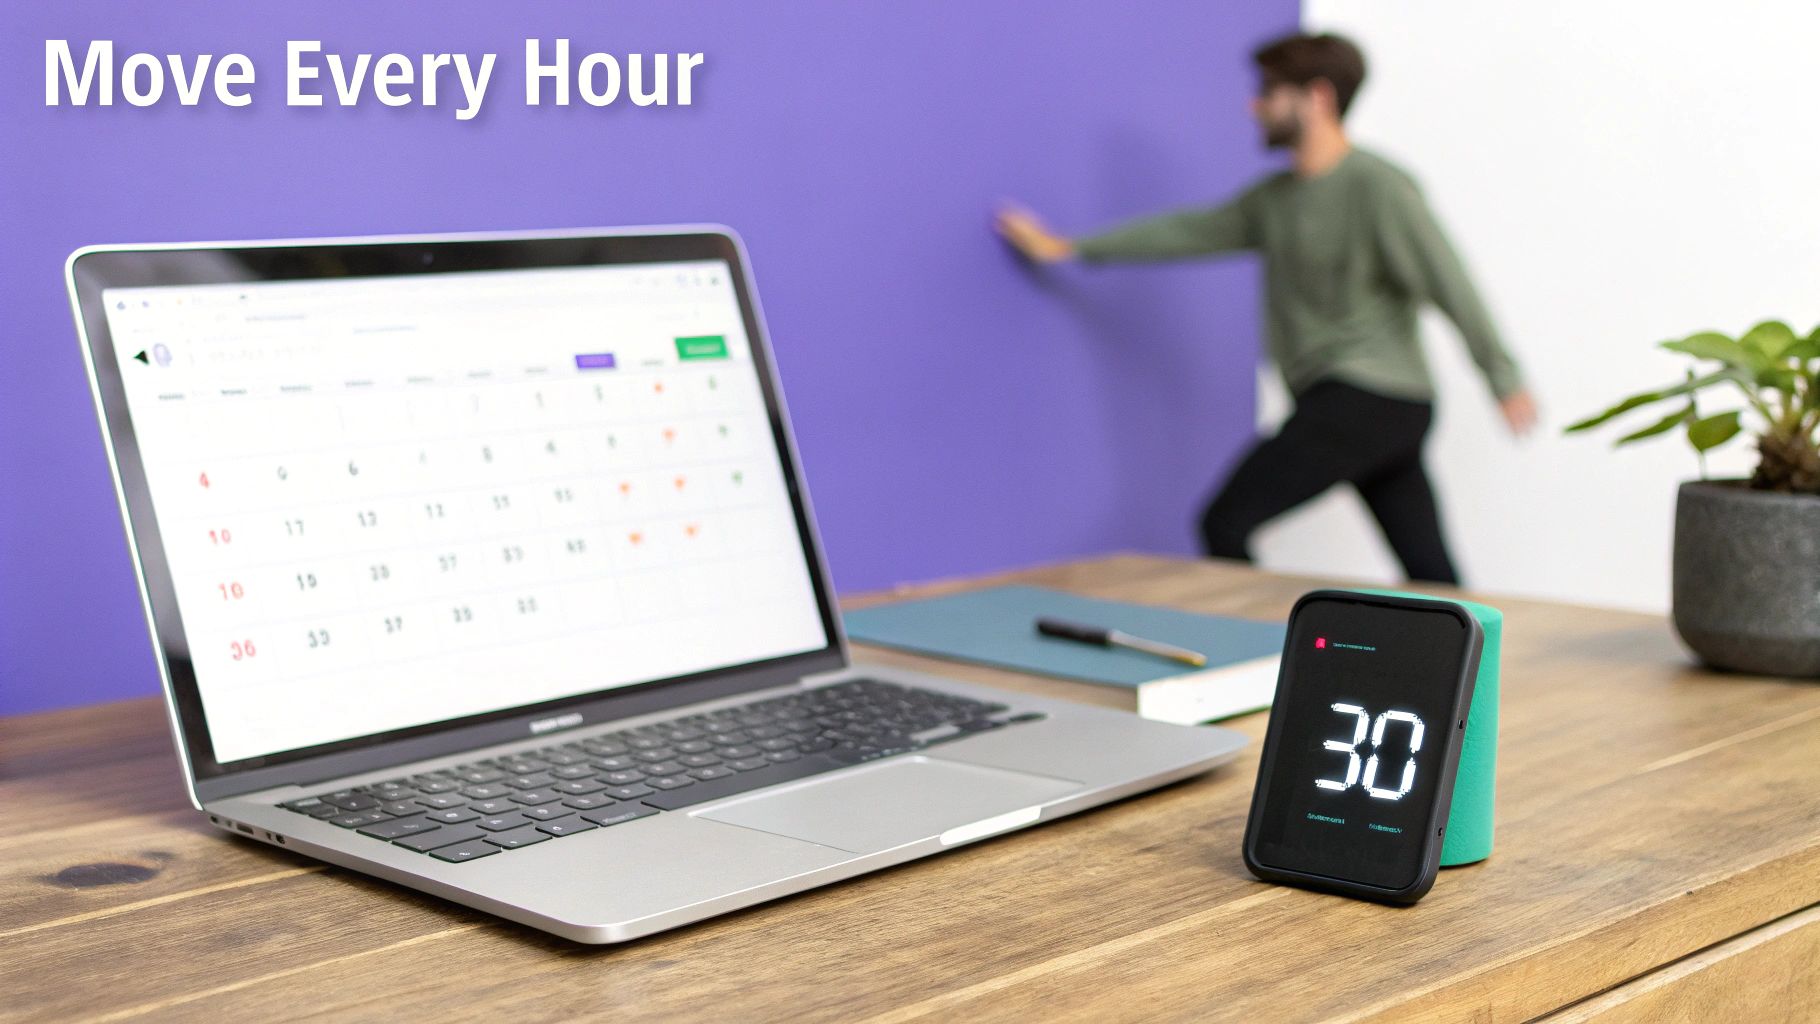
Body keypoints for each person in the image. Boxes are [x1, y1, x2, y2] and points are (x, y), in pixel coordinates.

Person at [995, 32, 1535, 585]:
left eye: (1270, 91)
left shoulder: (1377, 186)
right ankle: (1473, 670)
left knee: (1225, 522)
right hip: (1373, 405)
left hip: (1368, 396)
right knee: (1430, 573)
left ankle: (1271, 663)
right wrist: (1072, 246)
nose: (1255, 105)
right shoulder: (1274, 200)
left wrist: (1502, 375)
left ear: (1317, 97)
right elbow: (1189, 231)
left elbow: (1447, 279)